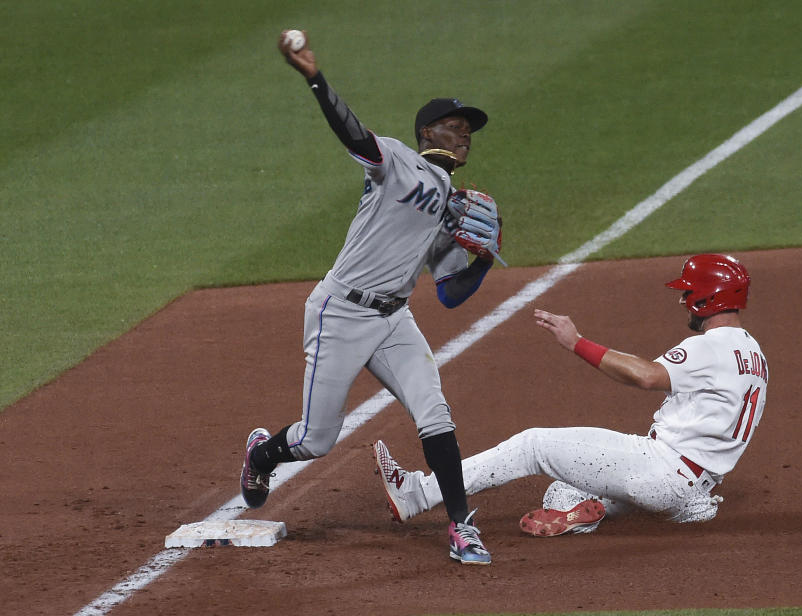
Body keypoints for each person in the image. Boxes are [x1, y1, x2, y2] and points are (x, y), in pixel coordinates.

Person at [240, 29, 504, 565]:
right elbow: (354, 134)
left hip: (393, 320)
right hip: (340, 311)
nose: (464, 136)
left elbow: (451, 294)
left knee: (435, 414)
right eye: (454, 127)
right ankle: (262, 454)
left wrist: (479, 260)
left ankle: (461, 527)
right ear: (427, 130)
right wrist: (315, 78)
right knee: (317, 440)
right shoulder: (397, 160)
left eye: (468, 130)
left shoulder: (454, 203)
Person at [374, 253, 768, 536]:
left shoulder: (710, 347)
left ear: (708, 298)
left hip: (659, 469)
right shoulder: (754, 355)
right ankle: (597, 514)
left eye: (688, 293)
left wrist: (576, 342)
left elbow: (648, 376)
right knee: (563, 487)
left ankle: (417, 494)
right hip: (692, 487)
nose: (683, 300)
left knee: (533, 445)